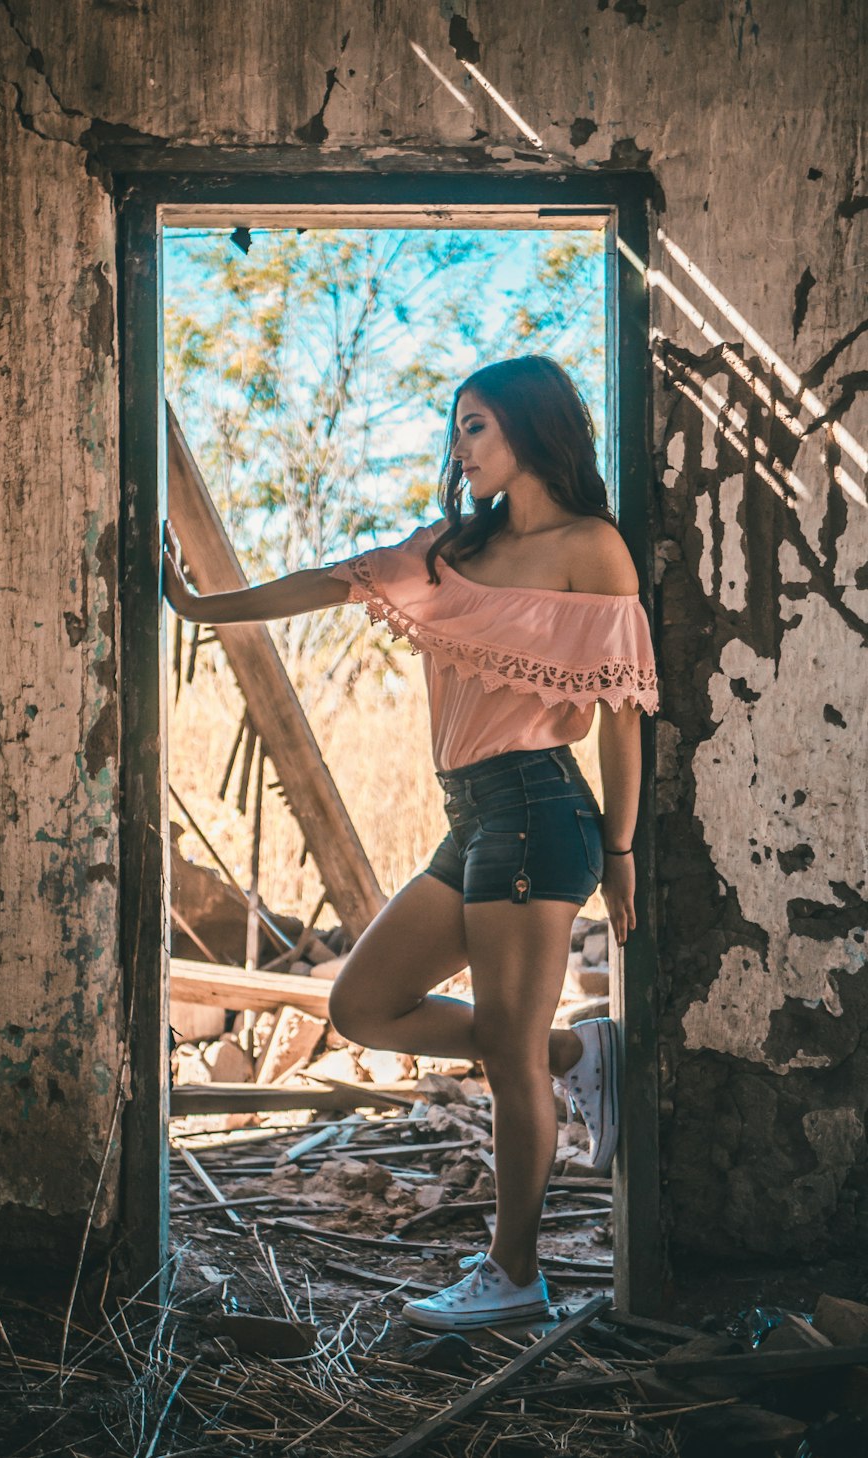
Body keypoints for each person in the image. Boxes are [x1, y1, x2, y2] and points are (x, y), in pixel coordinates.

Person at [163, 355, 659, 1332]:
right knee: (363, 1003)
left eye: (475, 425)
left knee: (506, 1062)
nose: (458, 445)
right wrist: (197, 605)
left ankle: (513, 1274)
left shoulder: (588, 547)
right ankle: (578, 1052)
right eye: (456, 427)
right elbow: (330, 580)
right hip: (471, 818)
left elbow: (623, 713)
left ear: (530, 427)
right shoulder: (448, 551)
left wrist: (621, 851)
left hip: (538, 812)